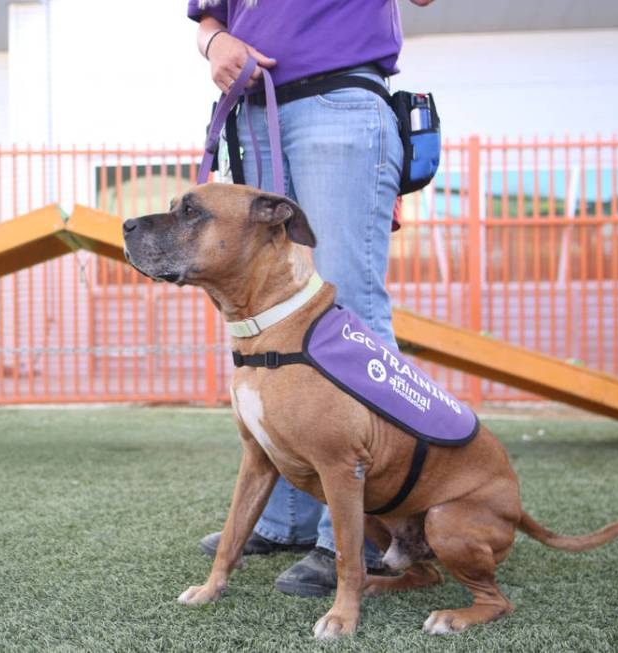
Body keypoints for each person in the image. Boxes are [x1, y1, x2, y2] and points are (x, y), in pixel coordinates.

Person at [187, 0, 436, 597]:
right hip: (253, 108)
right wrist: (216, 43)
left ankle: (348, 536)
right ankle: (288, 520)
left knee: (349, 316)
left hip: (341, 101)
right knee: (271, 318)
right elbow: (209, 15)